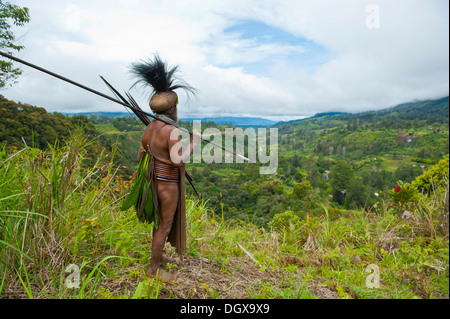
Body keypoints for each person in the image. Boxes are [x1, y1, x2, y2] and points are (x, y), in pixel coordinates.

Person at [130, 55, 200, 283]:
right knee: (165, 224)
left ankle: (157, 258)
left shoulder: (150, 128)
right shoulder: (170, 131)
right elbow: (178, 161)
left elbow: (141, 154)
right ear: (172, 109)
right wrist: (193, 143)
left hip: (153, 182)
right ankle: (153, 268)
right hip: (167, 184)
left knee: (160, 223)